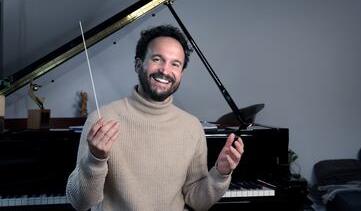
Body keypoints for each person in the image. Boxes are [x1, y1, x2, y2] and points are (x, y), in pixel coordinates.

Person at [66, 24, 244, 211]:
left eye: (175, 64)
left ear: (181, 73)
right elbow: (80, 203)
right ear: (138, 64)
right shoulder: (101, 120)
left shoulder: (191, 127)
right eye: (157, 59)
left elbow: (197, 202)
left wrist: (221, 173)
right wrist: (95, 159)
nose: (165, 71)